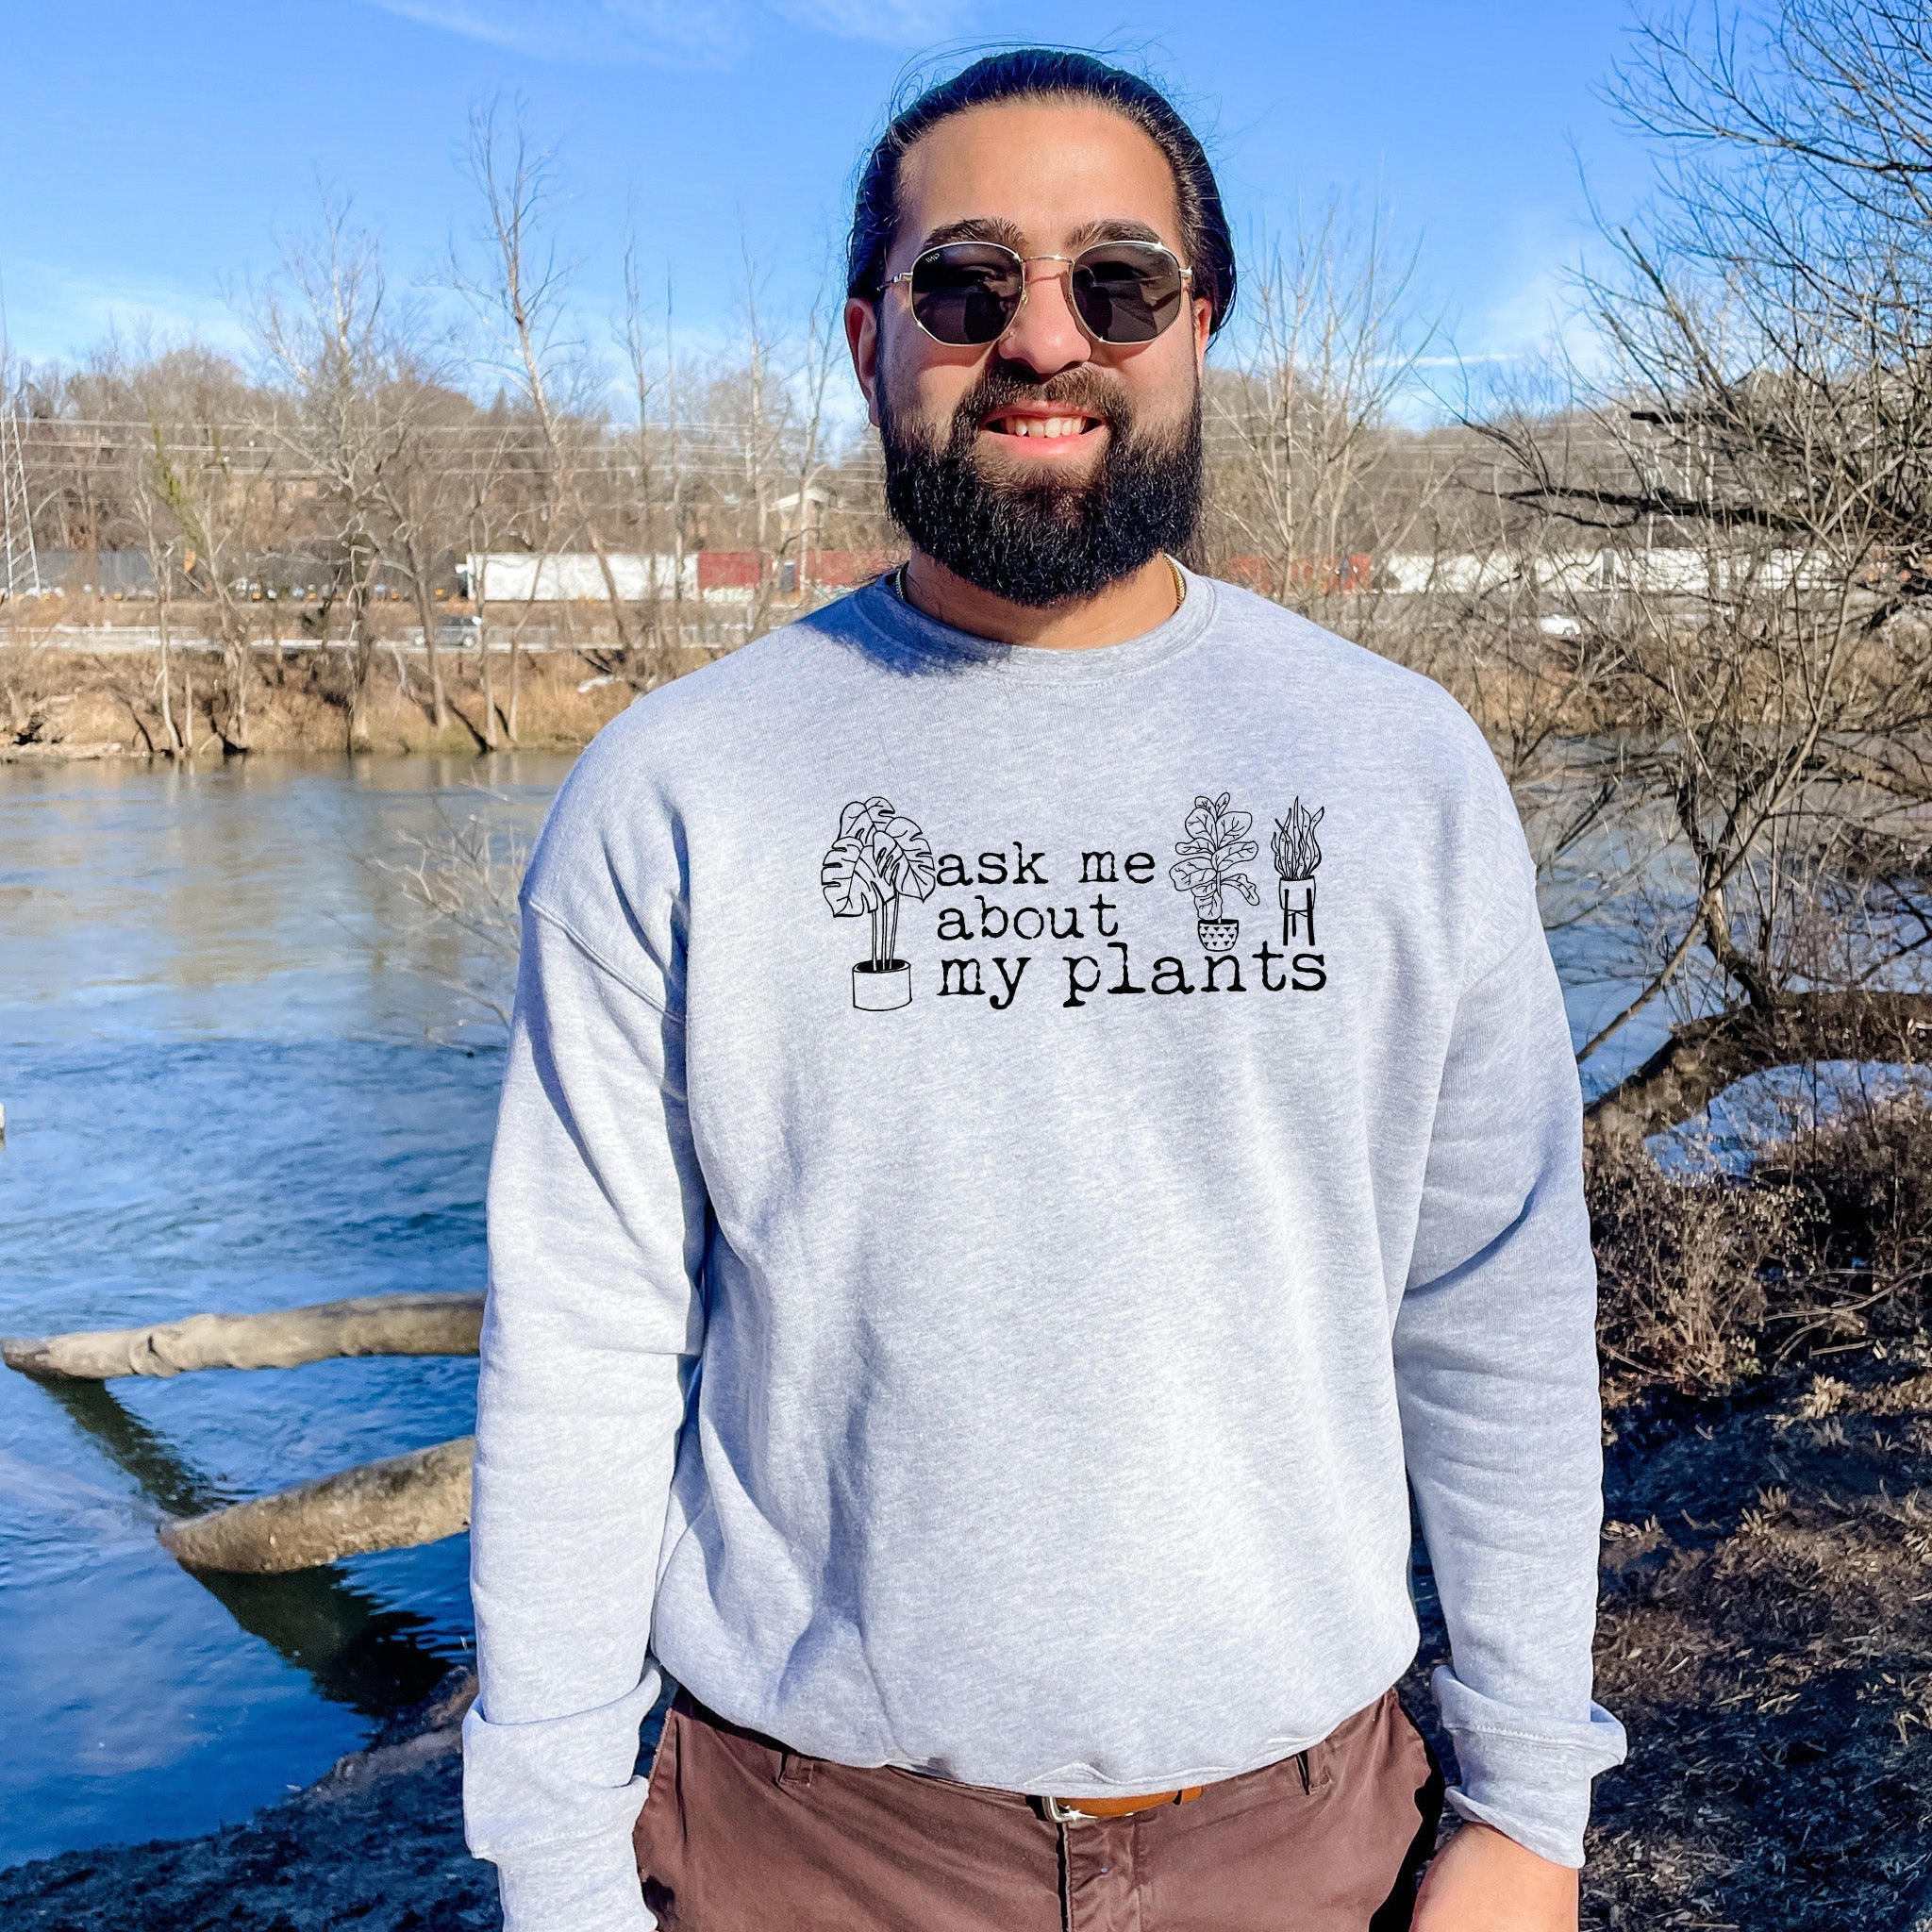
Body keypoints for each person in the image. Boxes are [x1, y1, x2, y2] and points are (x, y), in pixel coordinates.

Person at [461, 47, 1626, 1932]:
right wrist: (556, 1863)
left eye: (1118, 283)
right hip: (803, 1850)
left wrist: (1528, 1805)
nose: (1041, 338)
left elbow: (1490, 1306)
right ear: (869, 338)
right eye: (966, 283)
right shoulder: (675, 788)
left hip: (1314, 1837)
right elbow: (584, 1352)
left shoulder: (1398, 768)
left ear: (1199, 325)